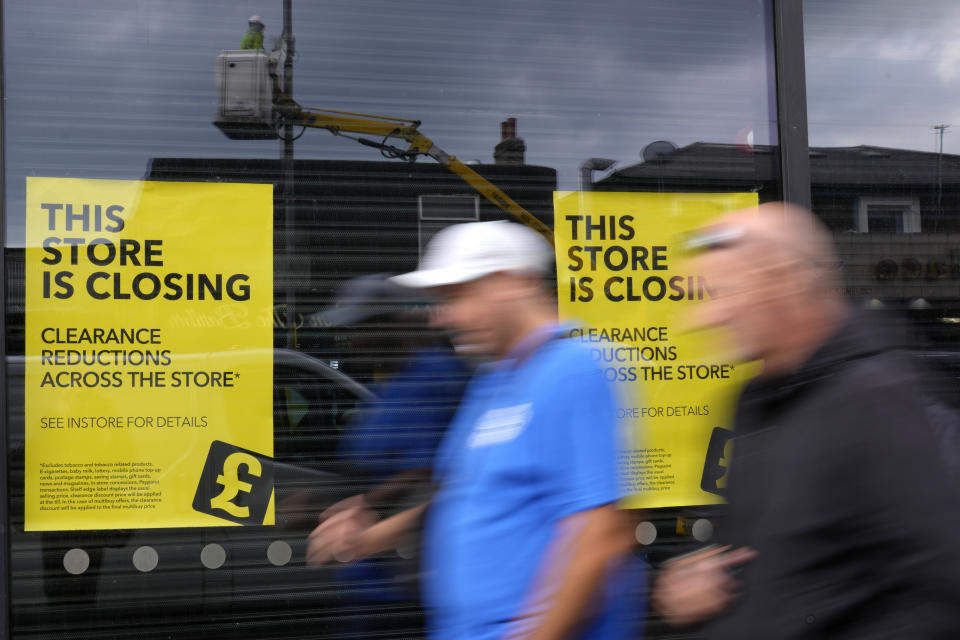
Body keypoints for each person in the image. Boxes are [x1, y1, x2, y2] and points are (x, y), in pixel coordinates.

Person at [307, 221, 642, 640]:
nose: (442, 317)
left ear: (510, 282)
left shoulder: (575, 368)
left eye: (457, 295)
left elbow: (602, 535)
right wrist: (367, 539)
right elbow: (457, 497)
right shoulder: (493, 379)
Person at [654, 202, 960, 638]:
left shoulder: (879, 403)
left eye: (722, 295)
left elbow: (940, 592)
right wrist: (706, 578)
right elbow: (769, 555)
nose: (703, 317)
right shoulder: (752, 399)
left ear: (782, 280)